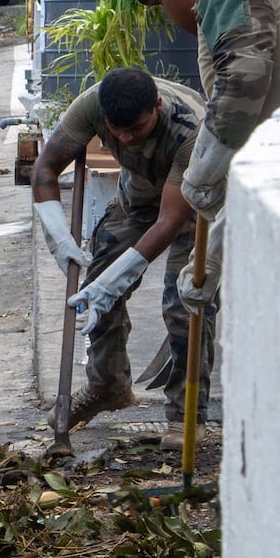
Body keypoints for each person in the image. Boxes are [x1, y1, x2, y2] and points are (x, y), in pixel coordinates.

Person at [29, 68, 215, 446]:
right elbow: (45, 168)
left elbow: (171, 220)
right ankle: (108, 386)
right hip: (139, 198)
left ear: (157, 108)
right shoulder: (93, 104)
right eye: (118, 131)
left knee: (185, 303)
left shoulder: (190, 128)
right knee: (93, 290)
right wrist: (57, 234)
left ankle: (186, 415)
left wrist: (117, 280)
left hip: (194, 206)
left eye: (137, 129)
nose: (127, 139)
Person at [135, 0, 280, 318]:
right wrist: (211, 259)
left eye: (161, 2)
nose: (169, 16)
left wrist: (200, 174)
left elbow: (243, 81)